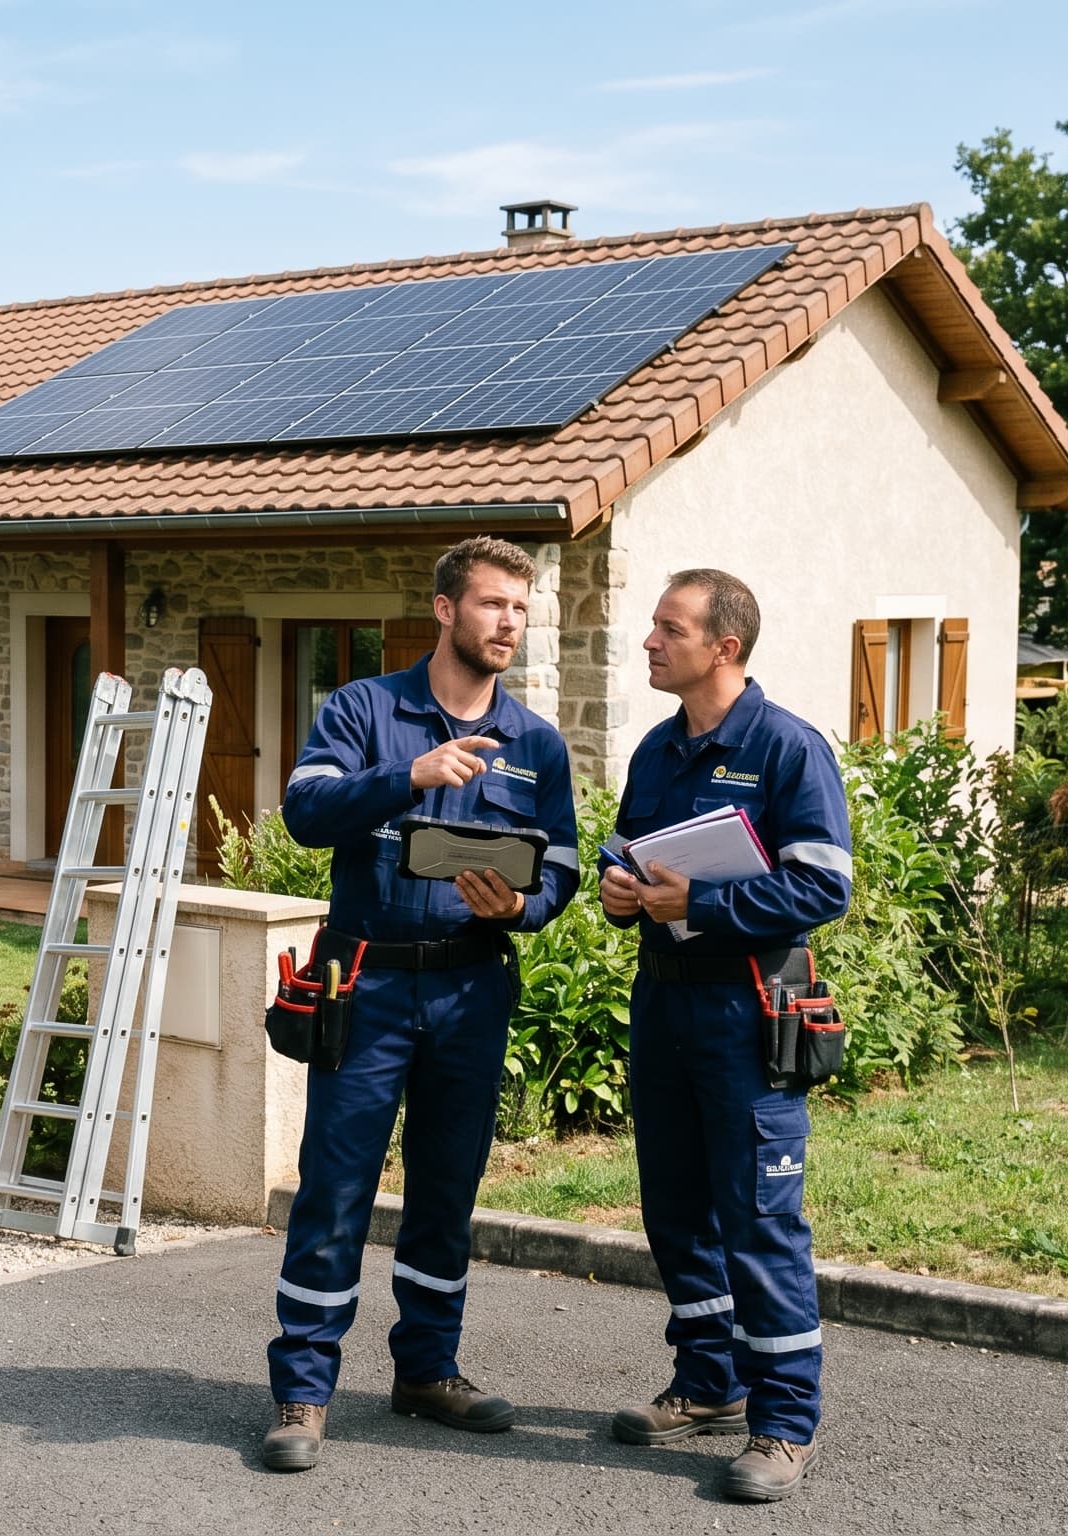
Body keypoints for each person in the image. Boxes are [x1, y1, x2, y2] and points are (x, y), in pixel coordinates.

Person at [259, 535, 581, 1473]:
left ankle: (427, 1371)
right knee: (335, 1188)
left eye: (520, 609)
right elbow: (307, 810)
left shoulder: (536, 743)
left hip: (474, 980)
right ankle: (303, 1391)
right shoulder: (365, 707)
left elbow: (557, 861)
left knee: (447, 1190)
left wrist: (522, 904)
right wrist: (411, 775)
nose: (508, 624)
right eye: (492, 605)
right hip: (369, 979)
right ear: (445, 610)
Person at [595, 569, 853, 1503]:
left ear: (724, 647)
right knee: (675, 1209)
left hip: (749, 1010)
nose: (651, 642)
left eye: (668, 628)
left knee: (759, 1219)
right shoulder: (658, 752)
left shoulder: (788, 749)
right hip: (662, 1003)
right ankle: (711, 1384)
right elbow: (624, 857)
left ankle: (785, 1425)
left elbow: (825, 887)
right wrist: (621, 890)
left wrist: (700, 899)